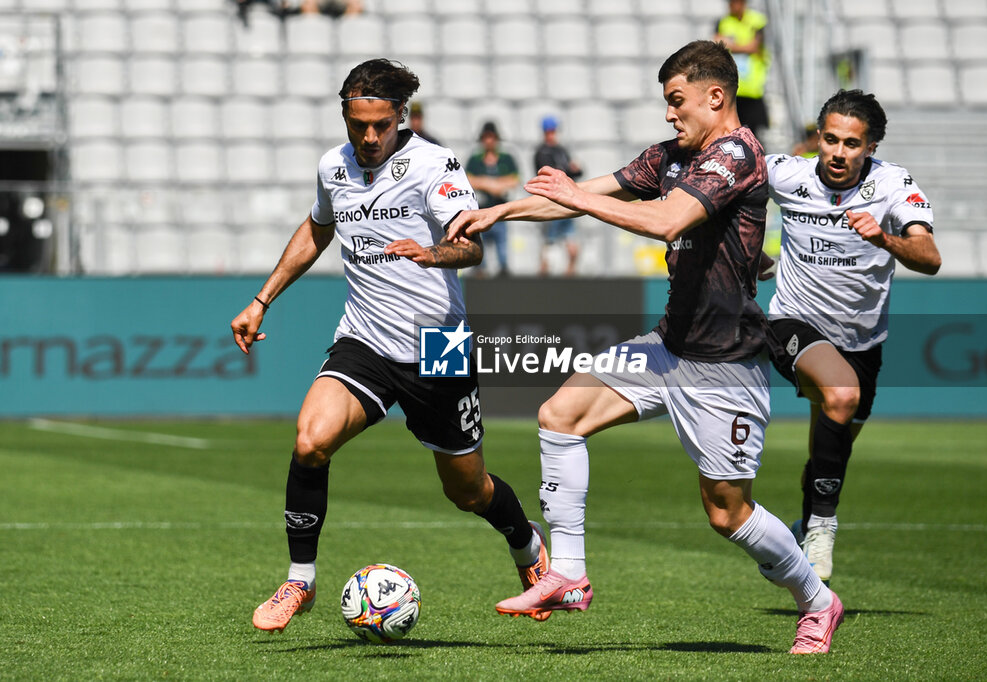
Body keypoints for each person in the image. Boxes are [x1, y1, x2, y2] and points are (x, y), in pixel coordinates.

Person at [448, 41, 844, 655]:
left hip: (724, 363)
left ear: (716, 96)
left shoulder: (737, 153)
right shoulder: (670, 155)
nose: (669, 113)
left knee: (728, 513)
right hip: (667, 347)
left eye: (677, 100)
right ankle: (568, 574)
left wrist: (577, 198)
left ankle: (817, 602)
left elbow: (664, 220)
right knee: (560, 415)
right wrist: (500, 212)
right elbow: (582, 190)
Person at [230, 58, 549, 633]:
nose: (371, 136)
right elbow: (318, 228)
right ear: (346, 119)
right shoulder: (333, 167)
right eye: (359, 126)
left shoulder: (436, 164)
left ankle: (526, 545)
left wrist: (434, 253)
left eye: (382, 124)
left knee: (467, 489)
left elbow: (472, 246)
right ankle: (301, 579)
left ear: (401, 115)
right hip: (365, 340)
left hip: (439, 344)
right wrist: (261, 300)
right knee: (310, 441)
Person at [764, 89, 941, 585]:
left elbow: (930, 258)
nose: (838, 152)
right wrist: (748, 253)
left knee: (835, 444)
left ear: (871, 146)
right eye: (830, 139)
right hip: (794, 321)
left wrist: (883, 237)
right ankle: (822, 529)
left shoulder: (893, 184)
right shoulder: (787, 174)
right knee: (841, 395)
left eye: (852, 143)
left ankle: (801, 527)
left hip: (862, 341)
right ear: (818, 137)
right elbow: (720, 199)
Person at [465, 121, 518, 277]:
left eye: (492, 137)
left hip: (501, 212)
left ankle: (503, 272)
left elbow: (514, 180)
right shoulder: (475, 160)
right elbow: (467, 180)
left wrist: (485, 182)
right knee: (479, 253)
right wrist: (493, 185)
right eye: (486, 137)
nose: (489, 141)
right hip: (480, 211)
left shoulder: (506, 158)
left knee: (502, 251)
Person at [713, 0, 771, 140]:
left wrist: (730, 45)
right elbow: (717, 43)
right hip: (730, 89)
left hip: (752, 90)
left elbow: (754, 47)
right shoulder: (723, 22)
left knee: (751, 135)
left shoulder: (757, 20)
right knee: (730, 134)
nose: (735, 6)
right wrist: (744, 46)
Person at [534, 116, 583, 276]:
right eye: (549, 131)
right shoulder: (542, 152)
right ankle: (544, 275)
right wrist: (569, 169)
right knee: (549, 243)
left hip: (566, 202)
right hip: (552, 202)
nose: (552, 134)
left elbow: (575, 172)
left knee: (571, 246)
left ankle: (569, 276)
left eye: (553, 131)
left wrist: (573, 169)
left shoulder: (561, 150)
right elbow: (549, 173)